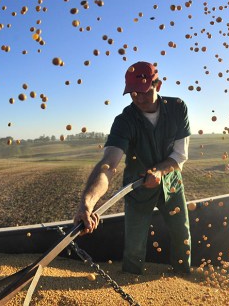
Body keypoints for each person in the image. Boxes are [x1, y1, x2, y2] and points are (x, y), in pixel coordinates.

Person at [73, 61, 192, 275]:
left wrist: (159, 171)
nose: (138, 98)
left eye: (144, 92)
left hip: (171, 184)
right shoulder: (124, 121)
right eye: (132, 93)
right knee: (135, 244)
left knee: (181, 233)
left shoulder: (177, 108)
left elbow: (179, 155)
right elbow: (108, 165)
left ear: (159, 85)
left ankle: (183, 275)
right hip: (137, 189)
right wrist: (87, 203)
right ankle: (131, 278)